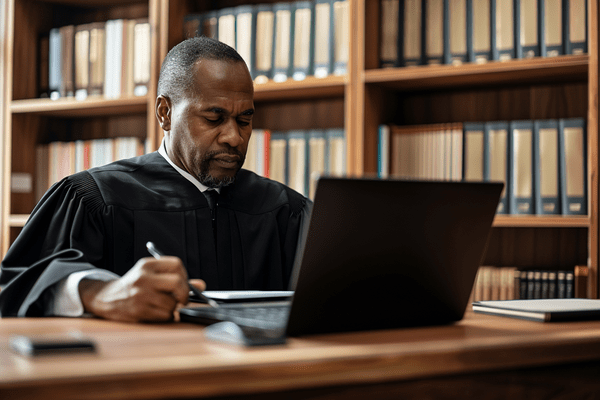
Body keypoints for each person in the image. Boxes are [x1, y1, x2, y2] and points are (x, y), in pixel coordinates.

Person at [0, 37, 312, 322]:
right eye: (214, 118)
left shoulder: (285, 211)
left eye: (244, 120)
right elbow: (13, 287)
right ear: (165, 113)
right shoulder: (95, 198)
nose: (234, 137)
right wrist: (97, 293)